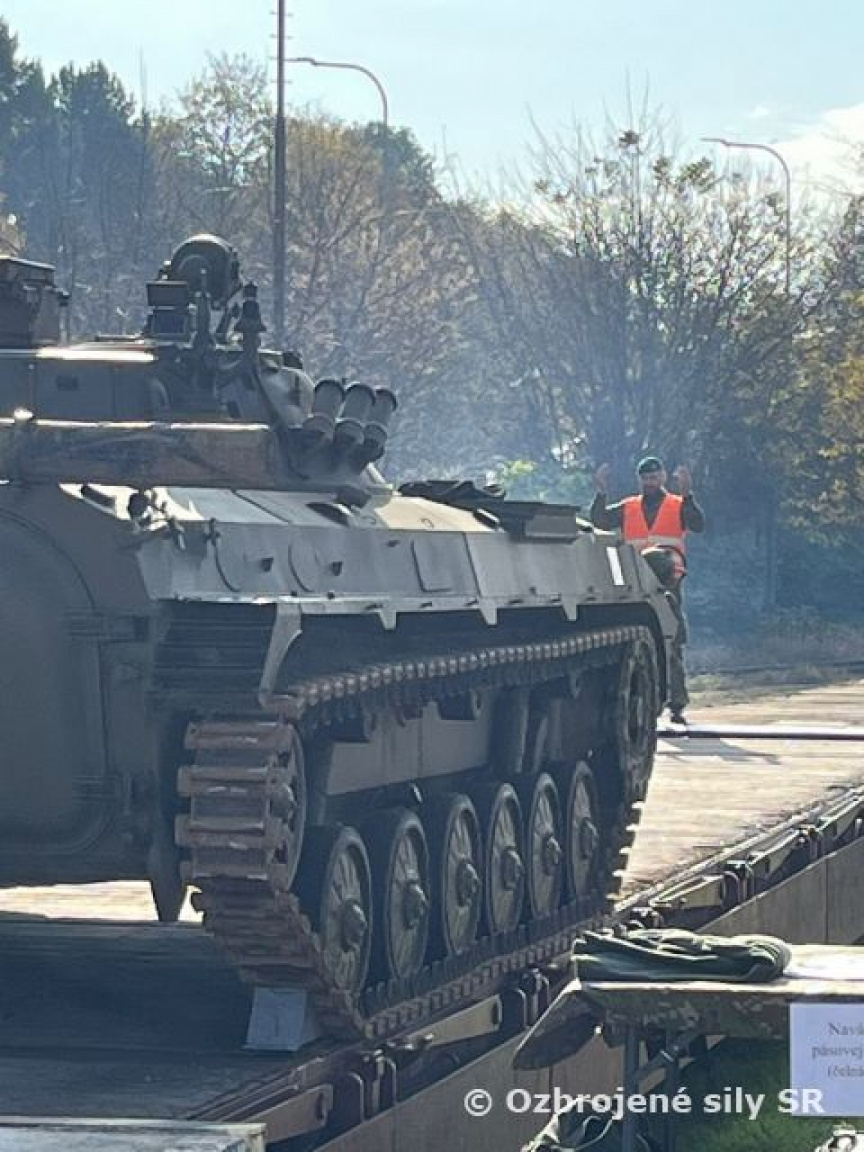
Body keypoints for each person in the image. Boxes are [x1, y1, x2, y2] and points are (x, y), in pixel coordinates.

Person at [590, 456, 705, 723]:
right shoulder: (629, 507)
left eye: (654, 478)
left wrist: (688, 494)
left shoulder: (677, 505)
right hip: (635, 582)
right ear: (639, 480)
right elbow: (600, 521)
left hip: (668, 581)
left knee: (671, 639)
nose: (650, 483)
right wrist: (601, 492)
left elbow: (697, 524)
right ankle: (643, 698)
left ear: (663, 477)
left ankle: (677, 702)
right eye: (645, 479)